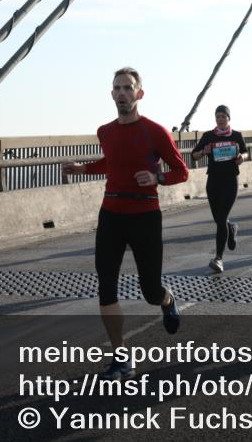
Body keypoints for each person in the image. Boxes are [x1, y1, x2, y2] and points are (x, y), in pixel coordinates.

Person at [62, 67, 189, 380]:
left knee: (149, 290)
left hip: (145, 215)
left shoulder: (155, 131)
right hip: (111, 215)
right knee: (106, 287)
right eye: (117, 88)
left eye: (128, 88)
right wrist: (80, 169)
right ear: (111, 94)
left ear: (139, 94)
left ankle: (167, 298)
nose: (122, 93)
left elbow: (181, 171)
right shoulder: (105, 131)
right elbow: (110, 162)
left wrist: (157, 177)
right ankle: (122, 359)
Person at [190, 105, 248, 274]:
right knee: (219, 219)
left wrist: (241, 158)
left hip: (230, 180)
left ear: (228, 118)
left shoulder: (236, 135)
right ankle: (231, 228)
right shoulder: (208, 136)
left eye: (223, 116)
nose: (220, 119)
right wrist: (203, 151)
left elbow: (245, 152)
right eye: (218, 116)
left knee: (221, 218)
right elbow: (194, 154)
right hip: (213, 180)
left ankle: (218, 258)